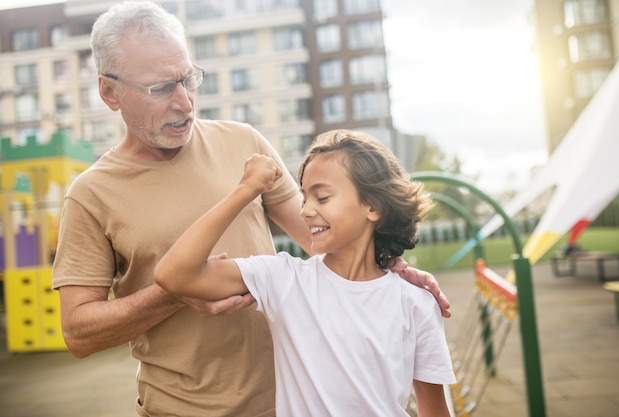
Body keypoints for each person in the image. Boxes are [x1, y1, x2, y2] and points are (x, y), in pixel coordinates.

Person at [51, 2, 451, 416]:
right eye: (160, 88)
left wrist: (393, 266)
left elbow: (323, 233)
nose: (185, 102)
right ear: (109, 92)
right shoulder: (91, 194)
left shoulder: (244, 142)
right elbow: (79, 334)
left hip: (287, 404)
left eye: (188, 79)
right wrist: (178, 293)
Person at [155, 130, 457, 416]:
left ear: (373, 207)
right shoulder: (283, 280)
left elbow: (434, 409)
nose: (305, 211)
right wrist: (246, 190)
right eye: (304, 198)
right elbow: (174, 274)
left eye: (322, 198)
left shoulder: (417, 301)